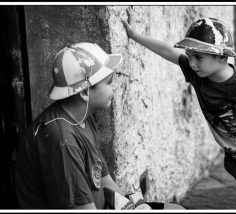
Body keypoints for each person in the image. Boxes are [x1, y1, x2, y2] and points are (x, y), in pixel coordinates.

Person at [123, 7, 236, 209]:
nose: (192, 63)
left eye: (198, 58)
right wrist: (134, 35)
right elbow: (168, 51)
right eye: (190, 56)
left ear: (222, 57)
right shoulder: (199, 75)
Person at [15, 42, 184, 210]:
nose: (114, 88)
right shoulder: (62, 139)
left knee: (177, 210)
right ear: (84, 93)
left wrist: (131, 207)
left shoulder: (83, 117)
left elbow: (103, 178)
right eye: (109, 83)